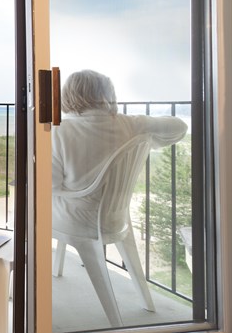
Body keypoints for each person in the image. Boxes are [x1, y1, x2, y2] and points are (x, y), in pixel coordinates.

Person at [52, 69, 187, 237]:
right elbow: (180, 127)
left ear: (69, 95)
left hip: (77, 220)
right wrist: (149, 137)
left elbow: (51, 186)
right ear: (107, 94)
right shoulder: (130, 124)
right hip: (116, 218)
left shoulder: (59, 131)